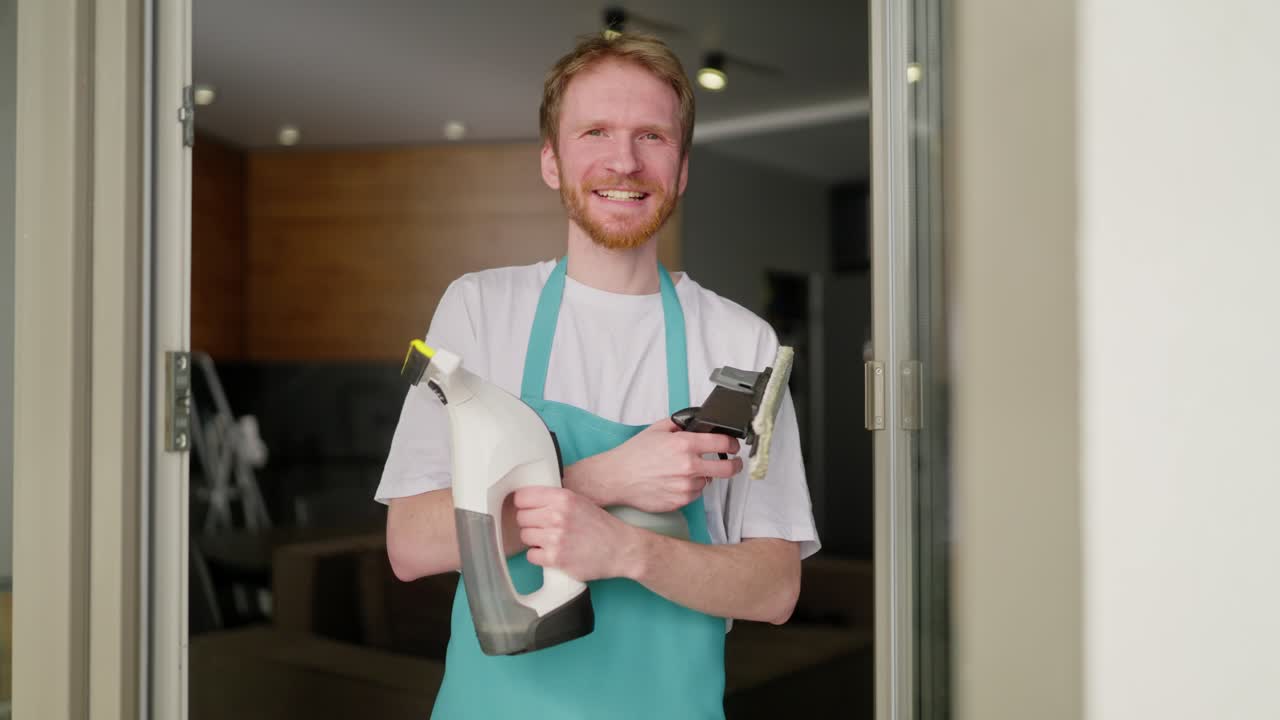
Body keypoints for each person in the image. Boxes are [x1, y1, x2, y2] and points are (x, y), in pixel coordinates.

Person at [376, 32, 819, 719]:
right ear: (552, 161)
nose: (624, 160)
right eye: (595, 132)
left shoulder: (738, 341)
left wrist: (625, 549)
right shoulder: (481, 310)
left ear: (682, 168)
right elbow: (411, 544)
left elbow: (774, 589)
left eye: (652, 136)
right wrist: (607, 478)